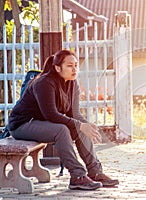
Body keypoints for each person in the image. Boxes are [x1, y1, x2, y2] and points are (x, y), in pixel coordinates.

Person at [8, 50, 119, 190]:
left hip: (44, 124)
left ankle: (95, 172)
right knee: (62, 130)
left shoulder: (72, 83)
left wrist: (87, 126)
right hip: (22, 125)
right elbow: (51, 115)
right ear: (57, 68)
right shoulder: (44, 83)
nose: (74, 69)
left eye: (76, 65)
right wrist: (79, 125)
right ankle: (77, 176)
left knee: (81, 128)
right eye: (70, 65)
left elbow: (75, 114)